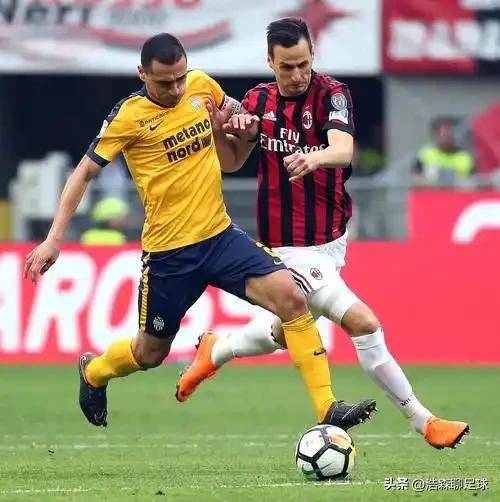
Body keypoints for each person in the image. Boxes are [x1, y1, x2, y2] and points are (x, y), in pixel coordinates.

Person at [24, 33, 376, 429]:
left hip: (220, 237)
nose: (176, 89)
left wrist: (243, 123)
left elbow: (240, 116)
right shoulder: (128, 117)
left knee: (292, 298)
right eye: (165, 82)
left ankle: (327, 407)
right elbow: (83, 173)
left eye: (180, 77)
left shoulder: (201, 84)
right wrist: (53, 239)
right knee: (150, 353)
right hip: (169, 255)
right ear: (142, 74)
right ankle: (94, 372)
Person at [176, 18, 469, 449]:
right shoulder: (258, 100)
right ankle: (424, 422)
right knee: (364, 324)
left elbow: (343, 149)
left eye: (303, 64)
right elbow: (231, 162)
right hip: (287, 247)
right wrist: (222, 131)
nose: (297, 75)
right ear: (270, 62)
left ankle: (216, 349)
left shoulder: (332, 94)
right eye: (286, 67)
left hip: (332, 243)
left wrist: (312, 159)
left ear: (313, 55)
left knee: (283, 331)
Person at [412, 116, 474, 186]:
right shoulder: (425, 154)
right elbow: (414, 177)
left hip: (458, 192)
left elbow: (474, 181)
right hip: (431, 191)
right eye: (443, 133)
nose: (446, 136)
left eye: (449, 132)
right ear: (436, 134)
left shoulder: (465, 157)